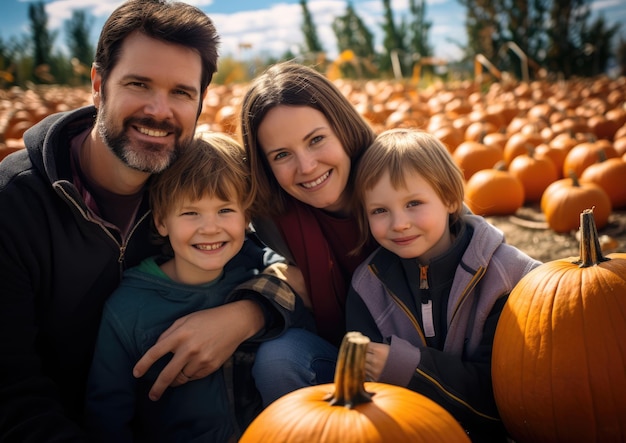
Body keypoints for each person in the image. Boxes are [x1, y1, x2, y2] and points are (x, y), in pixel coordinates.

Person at [0, 1, 282, 439]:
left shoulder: (193, 190)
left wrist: (249, 312)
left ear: (200, 103)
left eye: (181, 92)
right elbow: (10, 394)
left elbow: (291, 267)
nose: (158, 110)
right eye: (139, 83)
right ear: (98, 84)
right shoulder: (13, 205)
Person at [85, 132, 312, 442]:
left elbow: (299, 285)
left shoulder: (254, 268)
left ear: (246, 217)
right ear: (162, 221)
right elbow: (107, 413)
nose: (210, 228)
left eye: (225, 210)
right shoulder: (128, 307)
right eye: (191, 213)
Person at [345, 128, 542, 442]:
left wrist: (407, 366)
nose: (398, 223)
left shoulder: (506, 277)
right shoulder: (368, 288)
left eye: (413, 203)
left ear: (450, 199)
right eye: (380, 210)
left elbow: (503, 398)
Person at [239, 61, 379, 405]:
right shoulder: (274, 219)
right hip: (342, 359)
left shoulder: (403, 182)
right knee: (279, 358)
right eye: (282, 154)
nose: (306, 167)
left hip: (422, 360)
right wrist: (253, 306)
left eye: (316, 139)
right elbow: (263, 260)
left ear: (343, 127)